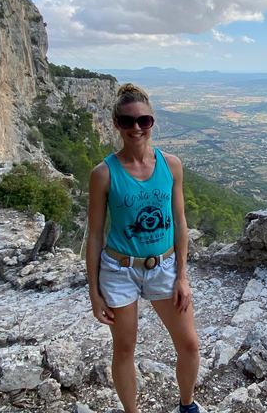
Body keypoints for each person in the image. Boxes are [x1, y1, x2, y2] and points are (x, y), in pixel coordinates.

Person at [86, 83, 201, 413]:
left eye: (143, 121)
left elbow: (179, 221)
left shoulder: (172, 165)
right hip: (119, 270)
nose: (136, 128)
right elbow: (94, 235)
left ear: (152, 121)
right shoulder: (103, 174)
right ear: (116, 124)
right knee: (124, 349)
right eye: (127, 121)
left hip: (164, 267)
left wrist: (182, 275)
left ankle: (187, 405)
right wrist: (94, 292)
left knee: (190, 344)